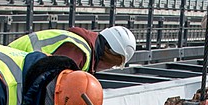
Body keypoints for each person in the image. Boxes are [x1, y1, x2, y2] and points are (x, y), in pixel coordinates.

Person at [8, 25, 136, 73]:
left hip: (15, 66)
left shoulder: (82, 48)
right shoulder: (77, 52)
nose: (108, 68)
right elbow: (54, 88)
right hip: (10, 67)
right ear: (109, 54)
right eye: (113, 64)